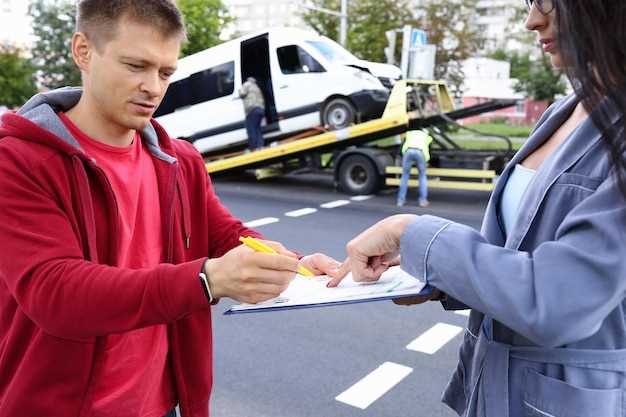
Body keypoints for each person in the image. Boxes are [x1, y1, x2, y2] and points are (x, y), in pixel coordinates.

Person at [0, 2, 340, 417]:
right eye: (135, 66)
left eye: (165, 73)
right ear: (83, 51)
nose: (153, 88)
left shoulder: (180, 159)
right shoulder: (17, 160)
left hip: (163, 404)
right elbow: (54, 291)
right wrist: (204, 280)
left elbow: (224, 236)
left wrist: (297, 265)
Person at [329, 0, 626, 416]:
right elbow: (514, 258)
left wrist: (408, 231)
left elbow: (557, 302)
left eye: (549, 3)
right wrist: (430, 274)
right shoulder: (564, 110)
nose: (531, 20)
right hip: (494, 391)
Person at [396, 128, 432, 207]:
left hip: (408, 151)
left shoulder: (409, 133)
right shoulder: (426, 135)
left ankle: (400, 201)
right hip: (420, 152)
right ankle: (423, 201)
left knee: (405, 175)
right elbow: (429, 149)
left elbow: (402, 144)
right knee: (422, 176)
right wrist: (427, 161)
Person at [238, 77, 266, 151]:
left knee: (251, 129)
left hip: (252, 109)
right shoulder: (256, 86)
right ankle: (260, 146)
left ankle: (254, 147)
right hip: (260, 109)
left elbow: (242, 93)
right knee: (257, 128)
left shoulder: (246, 84)